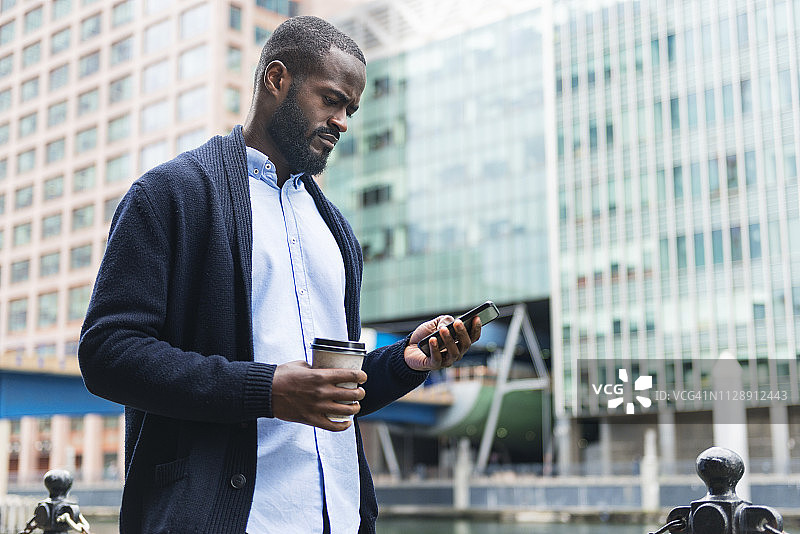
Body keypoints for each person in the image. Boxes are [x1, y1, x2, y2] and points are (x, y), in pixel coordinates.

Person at [78, 15, 481, 534]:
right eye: (331, 100)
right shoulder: (171, 194)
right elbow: (108, 353)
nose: (342, 121)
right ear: (276, 79)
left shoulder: (336, 231)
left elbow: (332, 395)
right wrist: (266, 389)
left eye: (350, 110)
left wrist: (405, 361)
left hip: (338, 520)